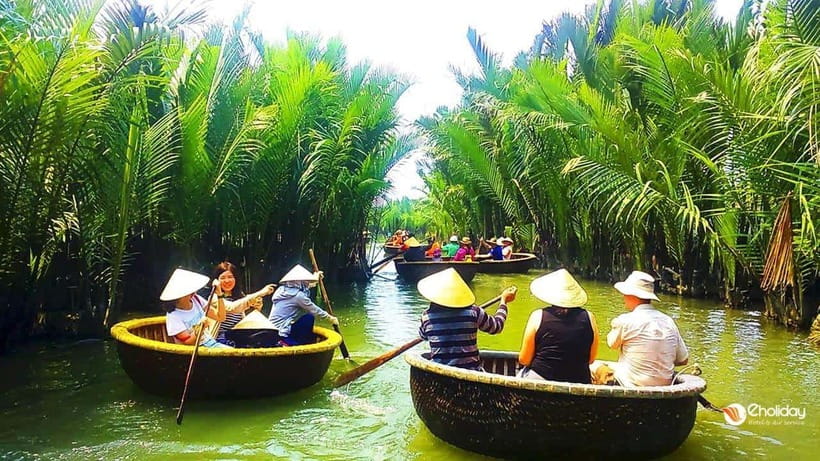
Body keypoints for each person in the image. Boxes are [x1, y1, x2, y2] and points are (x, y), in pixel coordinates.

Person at [418, 268, 517, 370]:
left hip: (439, 372)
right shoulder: (473, 312)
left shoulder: (426, 317)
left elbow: (423, 336)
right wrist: (503, 302)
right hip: (471, 371)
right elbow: (497, 327)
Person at [604, 271, 689, 386]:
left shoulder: (625, 320)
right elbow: (683, 360)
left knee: (598, 368)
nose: (623, 297)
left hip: (631, 385)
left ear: (632, 295)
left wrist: (615, 325)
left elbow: (611, 344)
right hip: (665, 386)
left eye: (625, 294)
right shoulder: (669, 321)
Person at [518, 269, 599, 383]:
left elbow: (524, 359)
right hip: (579, 380)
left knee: (521, 374)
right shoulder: (589, 317)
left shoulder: (538, 316)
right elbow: (591, 359)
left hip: (541, 379)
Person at [269, 264, 339, 346]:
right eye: (304, 281)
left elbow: (304, 289)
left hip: (272, 329)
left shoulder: (282, 290)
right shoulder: (298, 296)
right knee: (309, 317)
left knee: (307, 318)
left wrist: (315, 278)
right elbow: (314, 310)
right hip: (281, 332)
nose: (307, 283)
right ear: (299, 282)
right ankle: (296, 343)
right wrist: (330, 318)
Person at [211, 261, 276, 346]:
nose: (227, 281)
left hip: (240, 333)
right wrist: (261, 292)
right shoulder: (214, 297)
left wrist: (257, 307)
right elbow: (232, 308)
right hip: (223, 337)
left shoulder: (240, 295)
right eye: (222, 278)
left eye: (230, 277)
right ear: (217, 281)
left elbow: (247, 318)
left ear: (235, 279)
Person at [162, 268, 230, 348]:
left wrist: (219, 295)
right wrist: (199, 329)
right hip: (195, 351)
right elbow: (188, 342)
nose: (193, 292)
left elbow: (220, 317)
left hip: (211, 343)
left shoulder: (196, 299)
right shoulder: (173, 317)